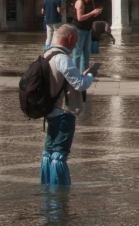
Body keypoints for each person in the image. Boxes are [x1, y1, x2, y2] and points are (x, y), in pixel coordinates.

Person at [40, 24, 97, 186]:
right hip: (63, 112)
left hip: (50, 109)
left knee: (49, 151)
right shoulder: (63, 58)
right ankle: (59, 192)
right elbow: (79, 84)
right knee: (59, 153)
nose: (75, 45)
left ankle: (47, 184)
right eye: (76, 41)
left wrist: (79, 75)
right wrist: (91, 75)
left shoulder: (48, 54)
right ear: (70, 38)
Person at [71, 0, 102, 74]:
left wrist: (96, 13)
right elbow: (80, 18)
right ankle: (74, 73)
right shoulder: (80, 2)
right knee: (77, 53)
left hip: (88, 29)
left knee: (86, 53)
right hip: (79, 29)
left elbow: (89, 15)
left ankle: (84, 73)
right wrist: (92, 12)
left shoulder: (90, 2)